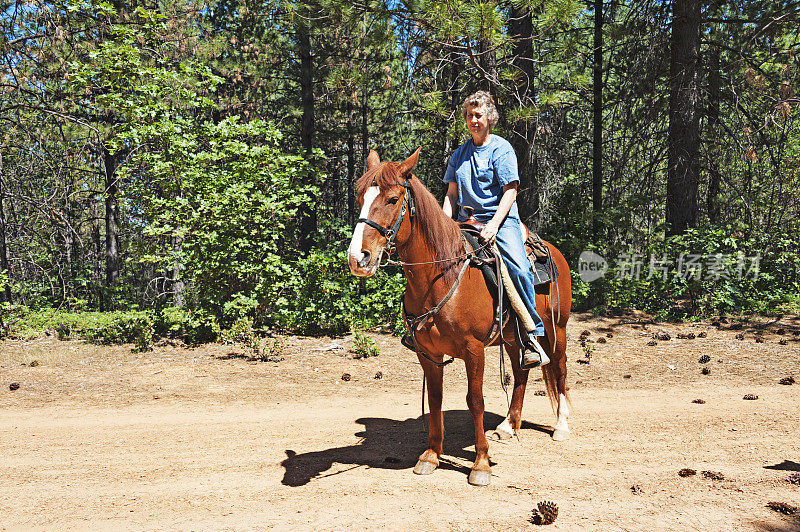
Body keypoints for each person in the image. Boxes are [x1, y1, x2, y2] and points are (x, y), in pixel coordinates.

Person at [441, 90, 549, 369]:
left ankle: (530, 335)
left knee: (519, 267)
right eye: (468, 115)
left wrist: (493, 225)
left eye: (477, 115)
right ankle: (425, 330)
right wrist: (443, 226)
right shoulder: (459, 154)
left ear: (489, 117)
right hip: (466, 222)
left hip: (502, 221)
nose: (472, 120)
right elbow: (451, 195)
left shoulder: (501, 149)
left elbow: (510, 192)